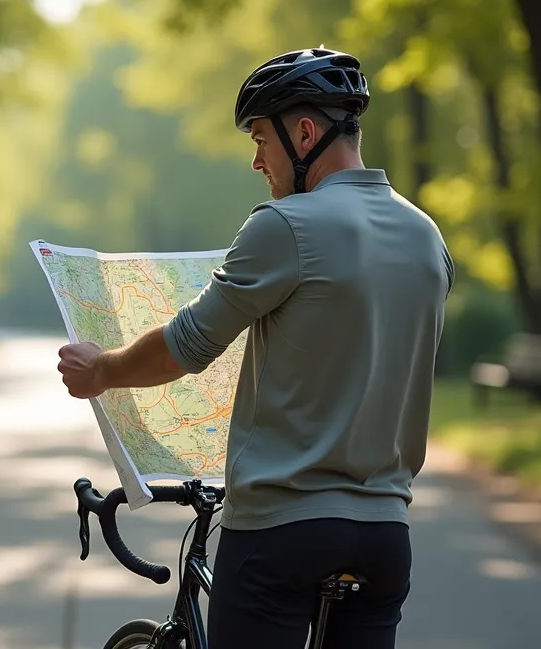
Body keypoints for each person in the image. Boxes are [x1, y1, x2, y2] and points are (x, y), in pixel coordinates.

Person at [55, 47, 454, 648]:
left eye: (262, 139)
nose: (256, 160)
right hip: (383, 537)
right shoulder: (427, 237)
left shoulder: (287, 224)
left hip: (281, 534)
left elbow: (184, 346)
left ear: (305, 133)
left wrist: (102, 371)